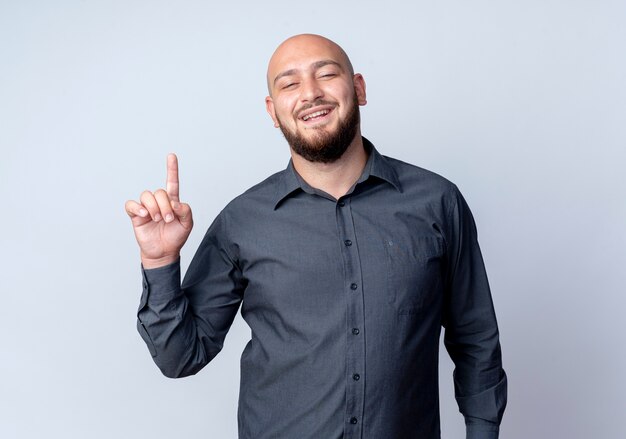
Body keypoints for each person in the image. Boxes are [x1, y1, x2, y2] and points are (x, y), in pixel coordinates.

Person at [125, 34, 507, 439]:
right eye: (289, 84)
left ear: (358, 88)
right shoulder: (242, 221)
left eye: (326, 74)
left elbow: (475, 338)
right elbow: (181, 357)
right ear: (273, 111)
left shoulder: (436, 202)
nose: (310, 93)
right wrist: (159, 261)